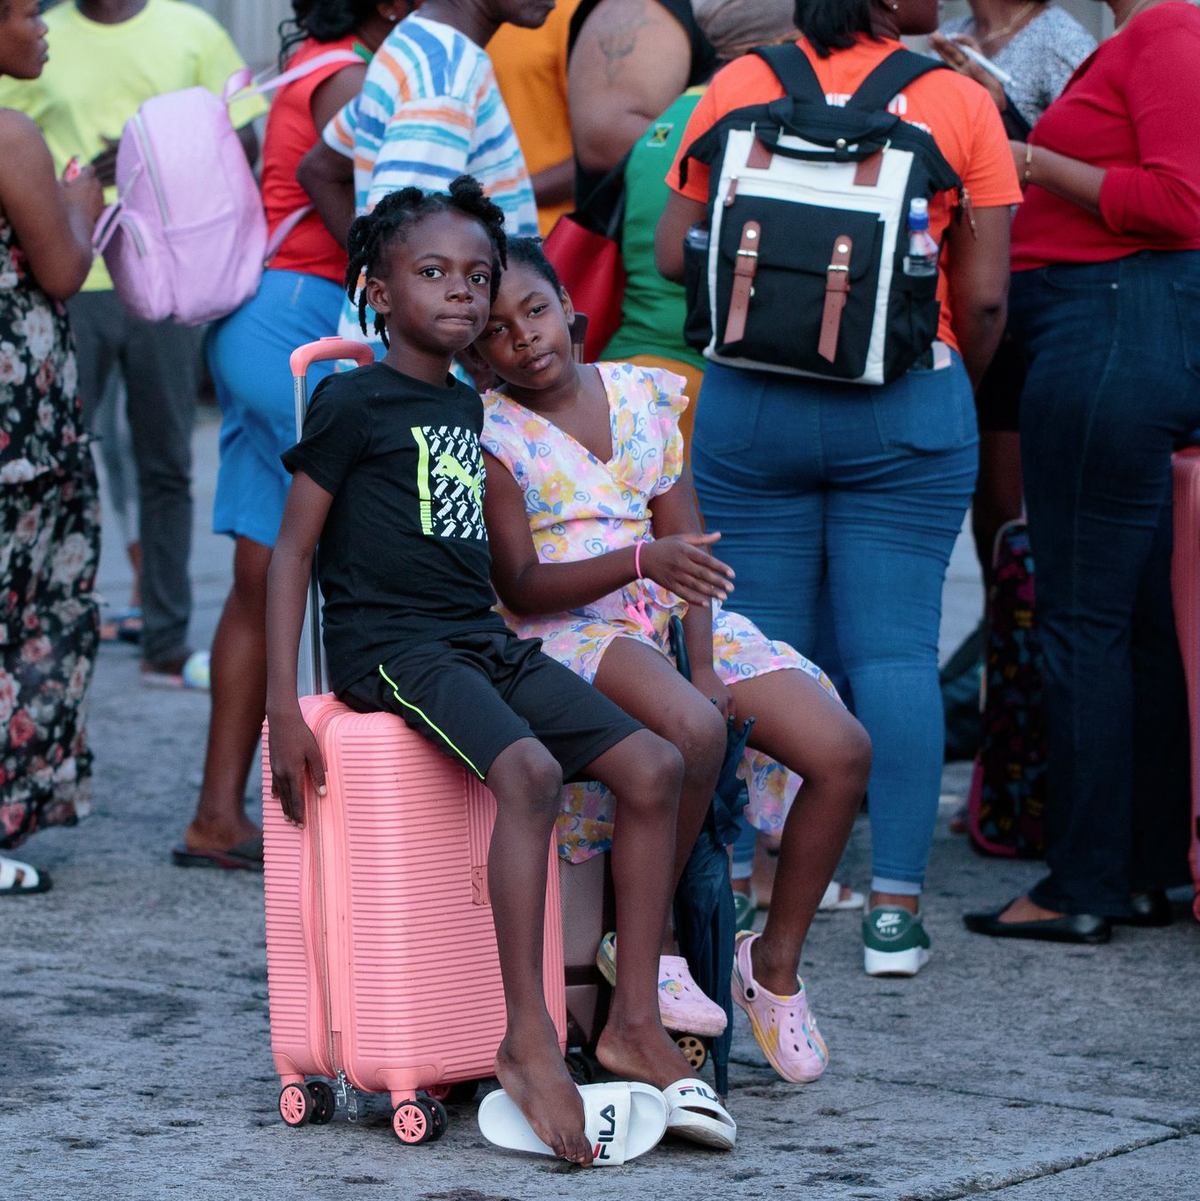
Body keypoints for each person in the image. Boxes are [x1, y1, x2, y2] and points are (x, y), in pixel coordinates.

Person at [266, 177, 722, 1164]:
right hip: (390, 648)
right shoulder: (352, 402)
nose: (463, 294)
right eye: (433, 273)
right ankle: (529, 1035)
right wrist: (282, 710)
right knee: (531, 772)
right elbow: (292, 551)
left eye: (476, 276)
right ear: (379, 292)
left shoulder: (477, 405)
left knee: (651, 765)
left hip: (473, 634)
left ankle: (632, 1017)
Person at [656, 0, 1022, 977]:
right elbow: (984, 296)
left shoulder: (736, 87)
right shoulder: (957, 100)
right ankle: (892, 914)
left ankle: (736, 880)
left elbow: (666, 251)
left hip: (753, 405)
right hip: (905, 400)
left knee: (756, 646)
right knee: (896, 652)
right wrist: (946, 383)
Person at [472, 238, 872, 1083]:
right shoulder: (495, 436)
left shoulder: (643, 393)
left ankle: (774, 969)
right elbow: (521, 582)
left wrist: (703, 659)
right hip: (570, 627)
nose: (526, 339)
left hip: (666, 613)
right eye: (498, 332)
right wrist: (639, 566)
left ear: (568, 306)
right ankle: (643, 952)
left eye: (535, 312)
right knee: (692, 728)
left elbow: (687, 547)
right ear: (476, 354)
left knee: (842, 749)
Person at [965, 0, 1200, 943]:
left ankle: (1083, 884)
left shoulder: (1170, 27)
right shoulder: (1142, 38)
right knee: (1134, 623)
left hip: (1108, 328)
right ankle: (1140, 869)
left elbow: (1180, 202)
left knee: (1083, 623)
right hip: (1117, 328)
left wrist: (1024, 158)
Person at [173, 0, 411, 873]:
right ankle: (337, 807)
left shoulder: (309, 59)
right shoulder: (350, 74)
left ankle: (216, 815)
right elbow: (333, 183)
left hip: (257, 324)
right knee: (340, 567)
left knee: (256, 578)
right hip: (308, 325)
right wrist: (399, 279)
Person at [0, 0, 266, 688]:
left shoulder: (192, 31)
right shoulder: (32, 37)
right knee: (50, 471)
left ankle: (166, 642)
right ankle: (52, 638)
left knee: (167, 461)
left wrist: (159, 160)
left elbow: (244, 140)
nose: (39, 25)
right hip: (63, 278)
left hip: (163, 276)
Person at [930, 2, 1095, 594]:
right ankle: (995, 657)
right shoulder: (948, 36)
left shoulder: (1057, 38)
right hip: (951, 271)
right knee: (974, 496)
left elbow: (1089, 158)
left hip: (1028, 278)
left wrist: (1005, 110)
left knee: (1011, 496)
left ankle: (1019, 650)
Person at [0, 0, 104, 894]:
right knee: (23, 611)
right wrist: (82, 199)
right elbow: (64, 270)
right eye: (30, 11)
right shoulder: (11, 137)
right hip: (16, 426)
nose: (45, 26)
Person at [296, 0, 548, 357]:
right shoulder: (444, 76)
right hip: (433, 373)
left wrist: (375, 271)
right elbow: (411, 242)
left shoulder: (413, 45)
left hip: (411, 361)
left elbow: (321, 170)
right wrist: (469, 351)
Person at [489, 0, 581, 237]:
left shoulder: (571, 12)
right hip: (463, 239)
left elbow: (605, 154)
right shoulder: (450, 13)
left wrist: (492, 198)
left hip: (546, 241)